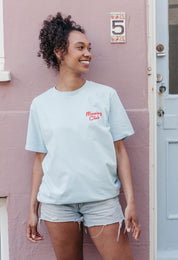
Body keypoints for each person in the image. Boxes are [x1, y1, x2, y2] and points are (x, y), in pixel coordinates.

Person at [25, 12, 141, 260]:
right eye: (80, 47)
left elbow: (120, 151)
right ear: (59, 51)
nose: (88, 53)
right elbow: (39, 159)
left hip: (102, 201)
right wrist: (32, 209)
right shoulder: (40, 104)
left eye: (89, 48)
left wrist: (130, 202)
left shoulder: (105, 96)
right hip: (57, 205)